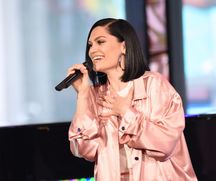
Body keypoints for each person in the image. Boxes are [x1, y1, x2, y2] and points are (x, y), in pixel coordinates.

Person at [68, 18, 197, 181]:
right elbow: (84, 150)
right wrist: (83, 95)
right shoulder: (95, 94)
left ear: (124, 46)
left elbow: (165, 145)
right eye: (91, 45)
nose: (93, 50)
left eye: (100, 42)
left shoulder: (153, 85)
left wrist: (125, 112)